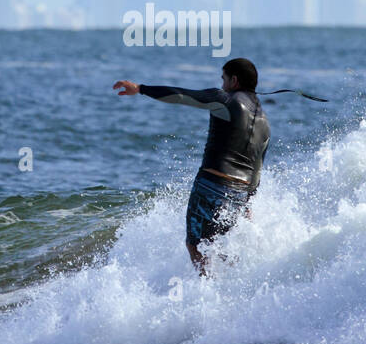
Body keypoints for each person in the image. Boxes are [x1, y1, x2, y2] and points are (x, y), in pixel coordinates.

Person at [114, 58, 269, 275]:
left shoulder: (224, 99)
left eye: (224, 79)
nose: (222, 84)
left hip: (212, 184)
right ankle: (229, 289)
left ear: (234, 80)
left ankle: (206, 291)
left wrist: (141, 89)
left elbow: (182, 96)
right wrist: (247, 202)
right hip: (239, 193)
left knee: (196, 246)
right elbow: (257, 168)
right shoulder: (265, 123)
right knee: (221, 247)